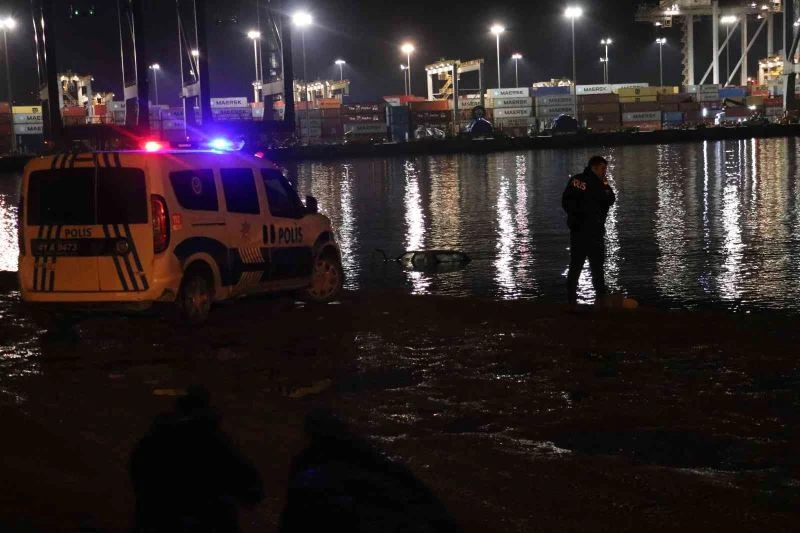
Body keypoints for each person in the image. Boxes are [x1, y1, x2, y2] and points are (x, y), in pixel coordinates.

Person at [129, 386, 264, 533]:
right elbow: (250, 486)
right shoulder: (215, 443)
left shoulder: (155, 439)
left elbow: (138, 472)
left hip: (158, 522)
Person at [561, 155, 616, 305]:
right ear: (594, 167)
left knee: (577, 267)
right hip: (590, 232)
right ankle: (600, 301)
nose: (605, 172)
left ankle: (573, 301)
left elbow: (566, 201)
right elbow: (609, 199)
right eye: (603, 168)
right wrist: (582, 216)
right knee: (595, 269)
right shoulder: (594, 183)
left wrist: (575, 218)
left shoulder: (579, 181)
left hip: (582, 231)